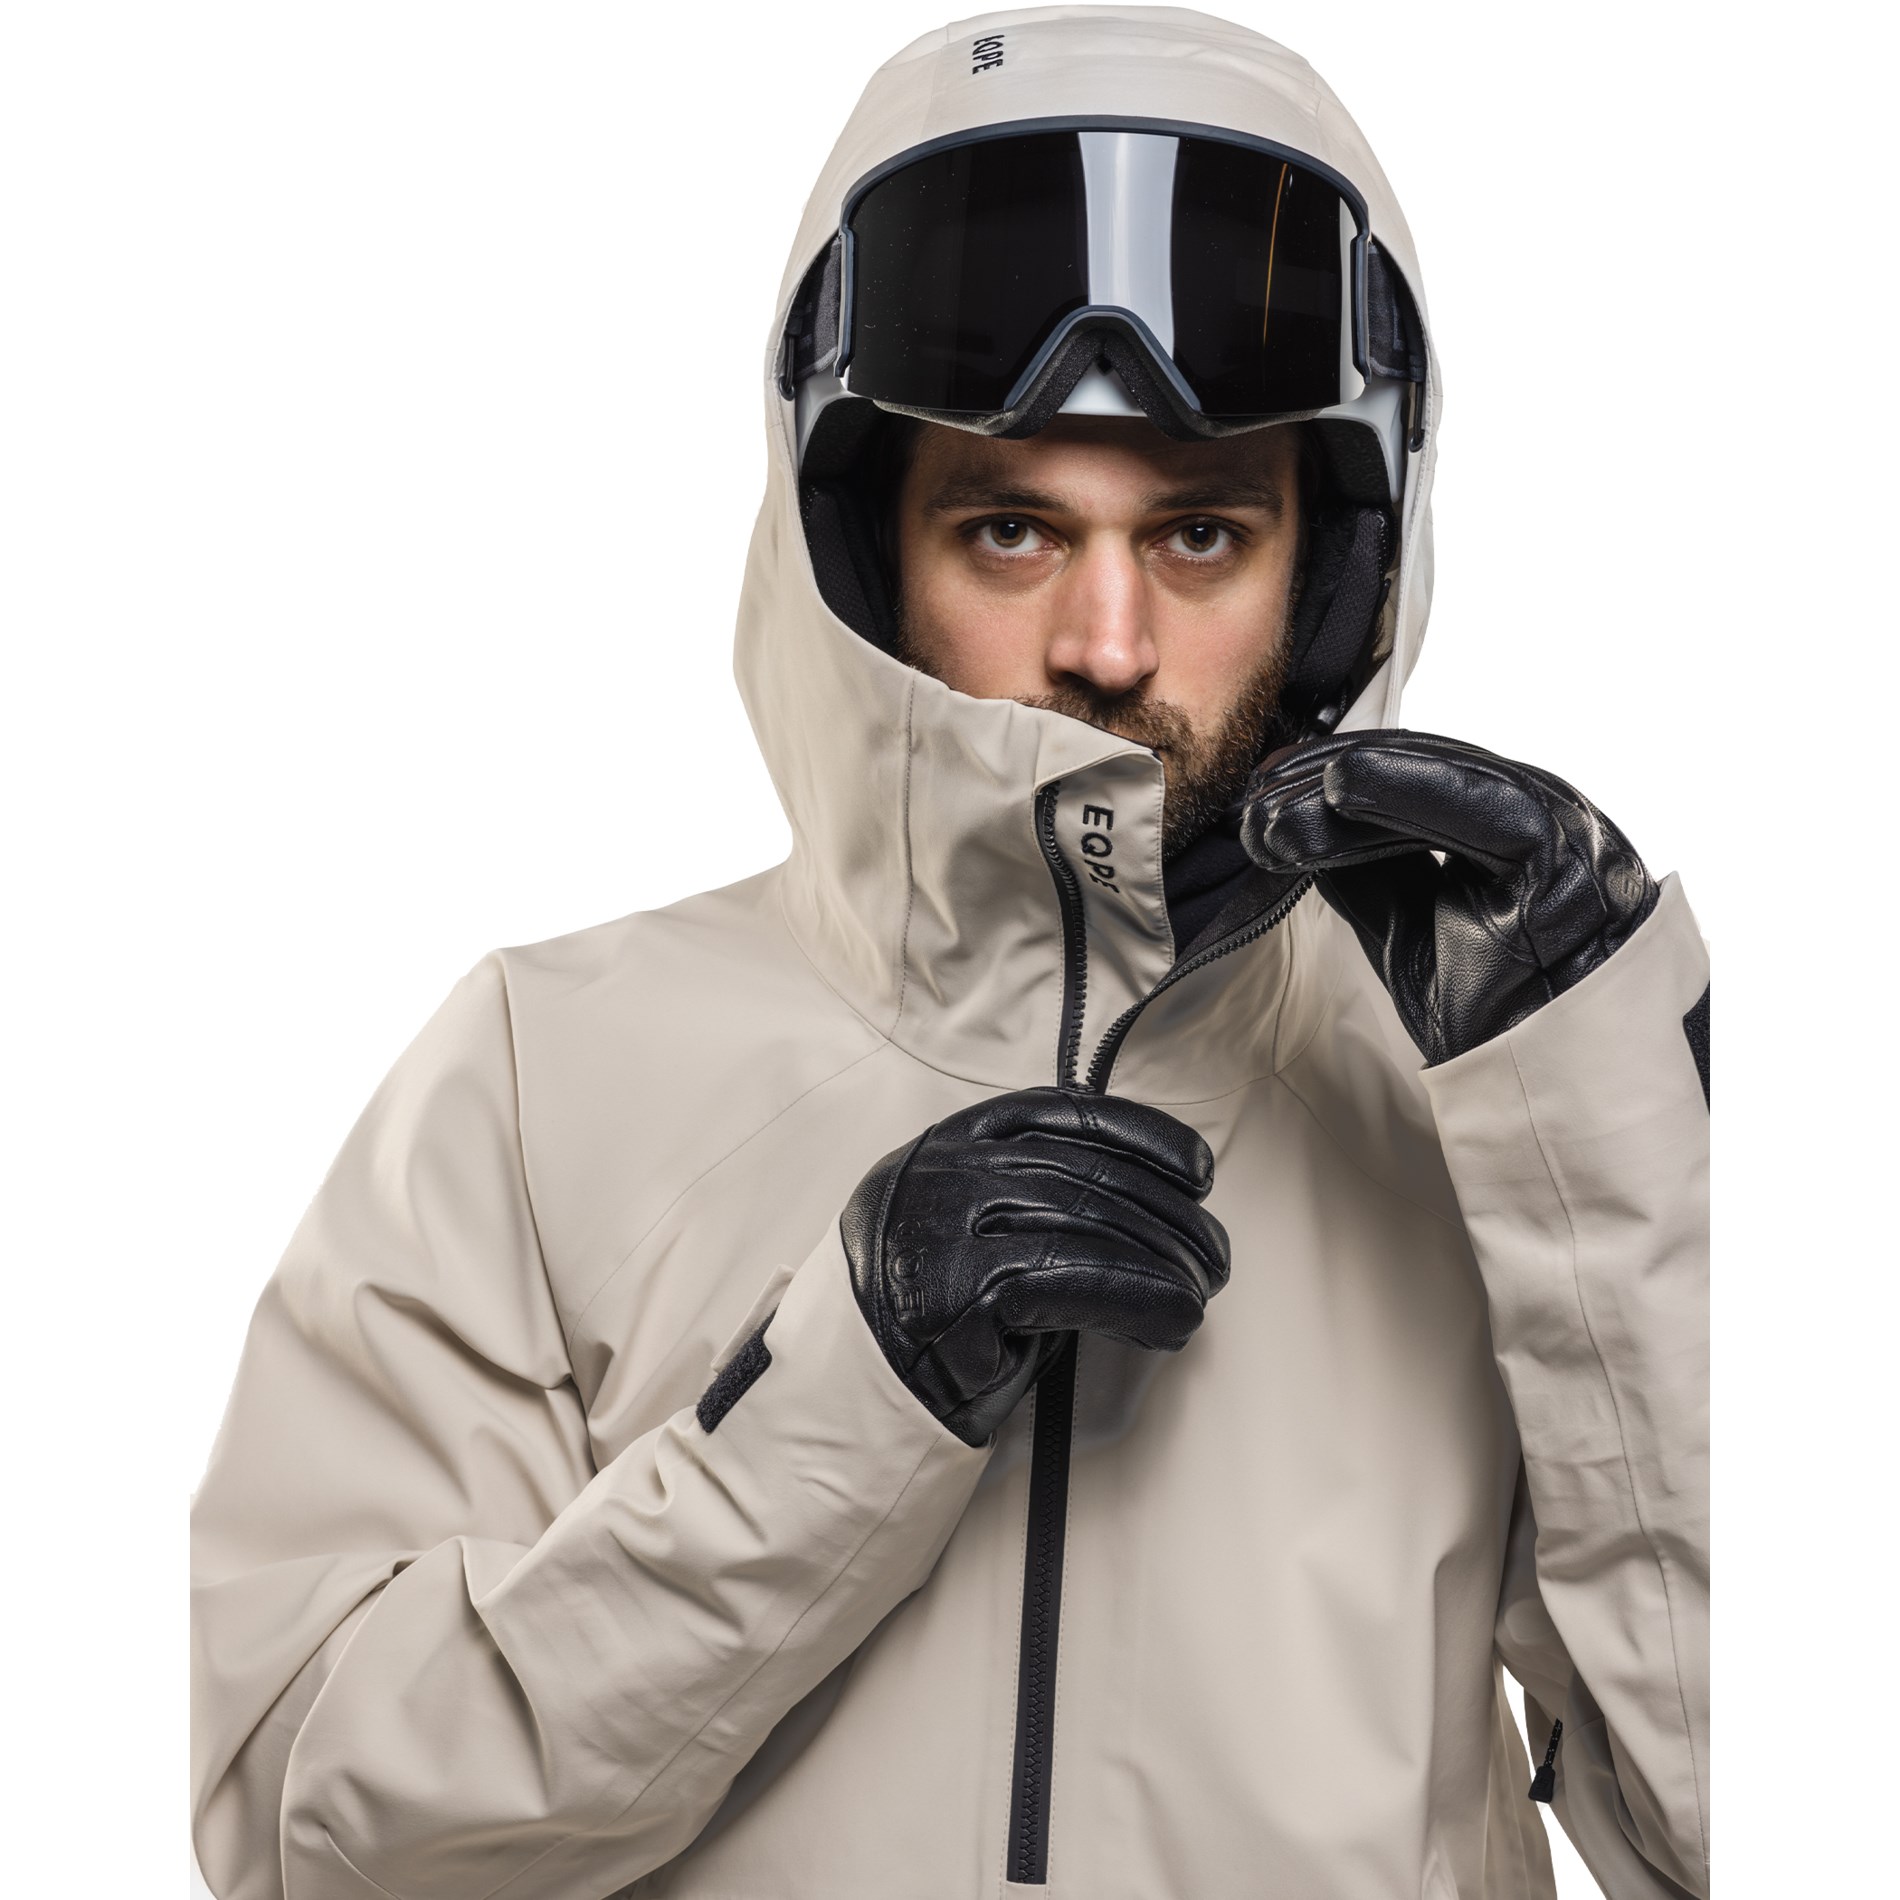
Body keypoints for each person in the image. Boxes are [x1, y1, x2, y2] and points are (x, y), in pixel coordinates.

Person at [189, 9, 1709, 1898]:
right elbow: (310, 1844)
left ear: (1330, 567)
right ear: (862, 547)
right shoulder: (540, 1074)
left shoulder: (1499, 1112)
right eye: (1009, 529)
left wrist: (1619, 1153)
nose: (1106, 644)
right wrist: (838, 1405)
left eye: (1202, 533)